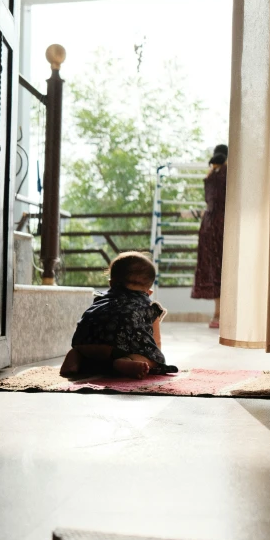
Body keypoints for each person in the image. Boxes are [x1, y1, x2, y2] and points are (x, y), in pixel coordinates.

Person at [60, 251, 177, 380]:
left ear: (111, 283)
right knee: (153, 357)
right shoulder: (150, 307)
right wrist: (154, 357)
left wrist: (79, 348)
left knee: (88, 355)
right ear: (149, 292)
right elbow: (156, 342)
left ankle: (75, 355)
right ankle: (126, 361)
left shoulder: (100, 299)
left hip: (87, 343)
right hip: (121, 347)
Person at [191, 144, 228, 328]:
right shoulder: (229, 174)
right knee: (229, 267)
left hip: (208, 226)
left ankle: (217, 314)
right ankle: (227, 315)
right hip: (225, 224)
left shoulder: (210, 176)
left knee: (215, 269)